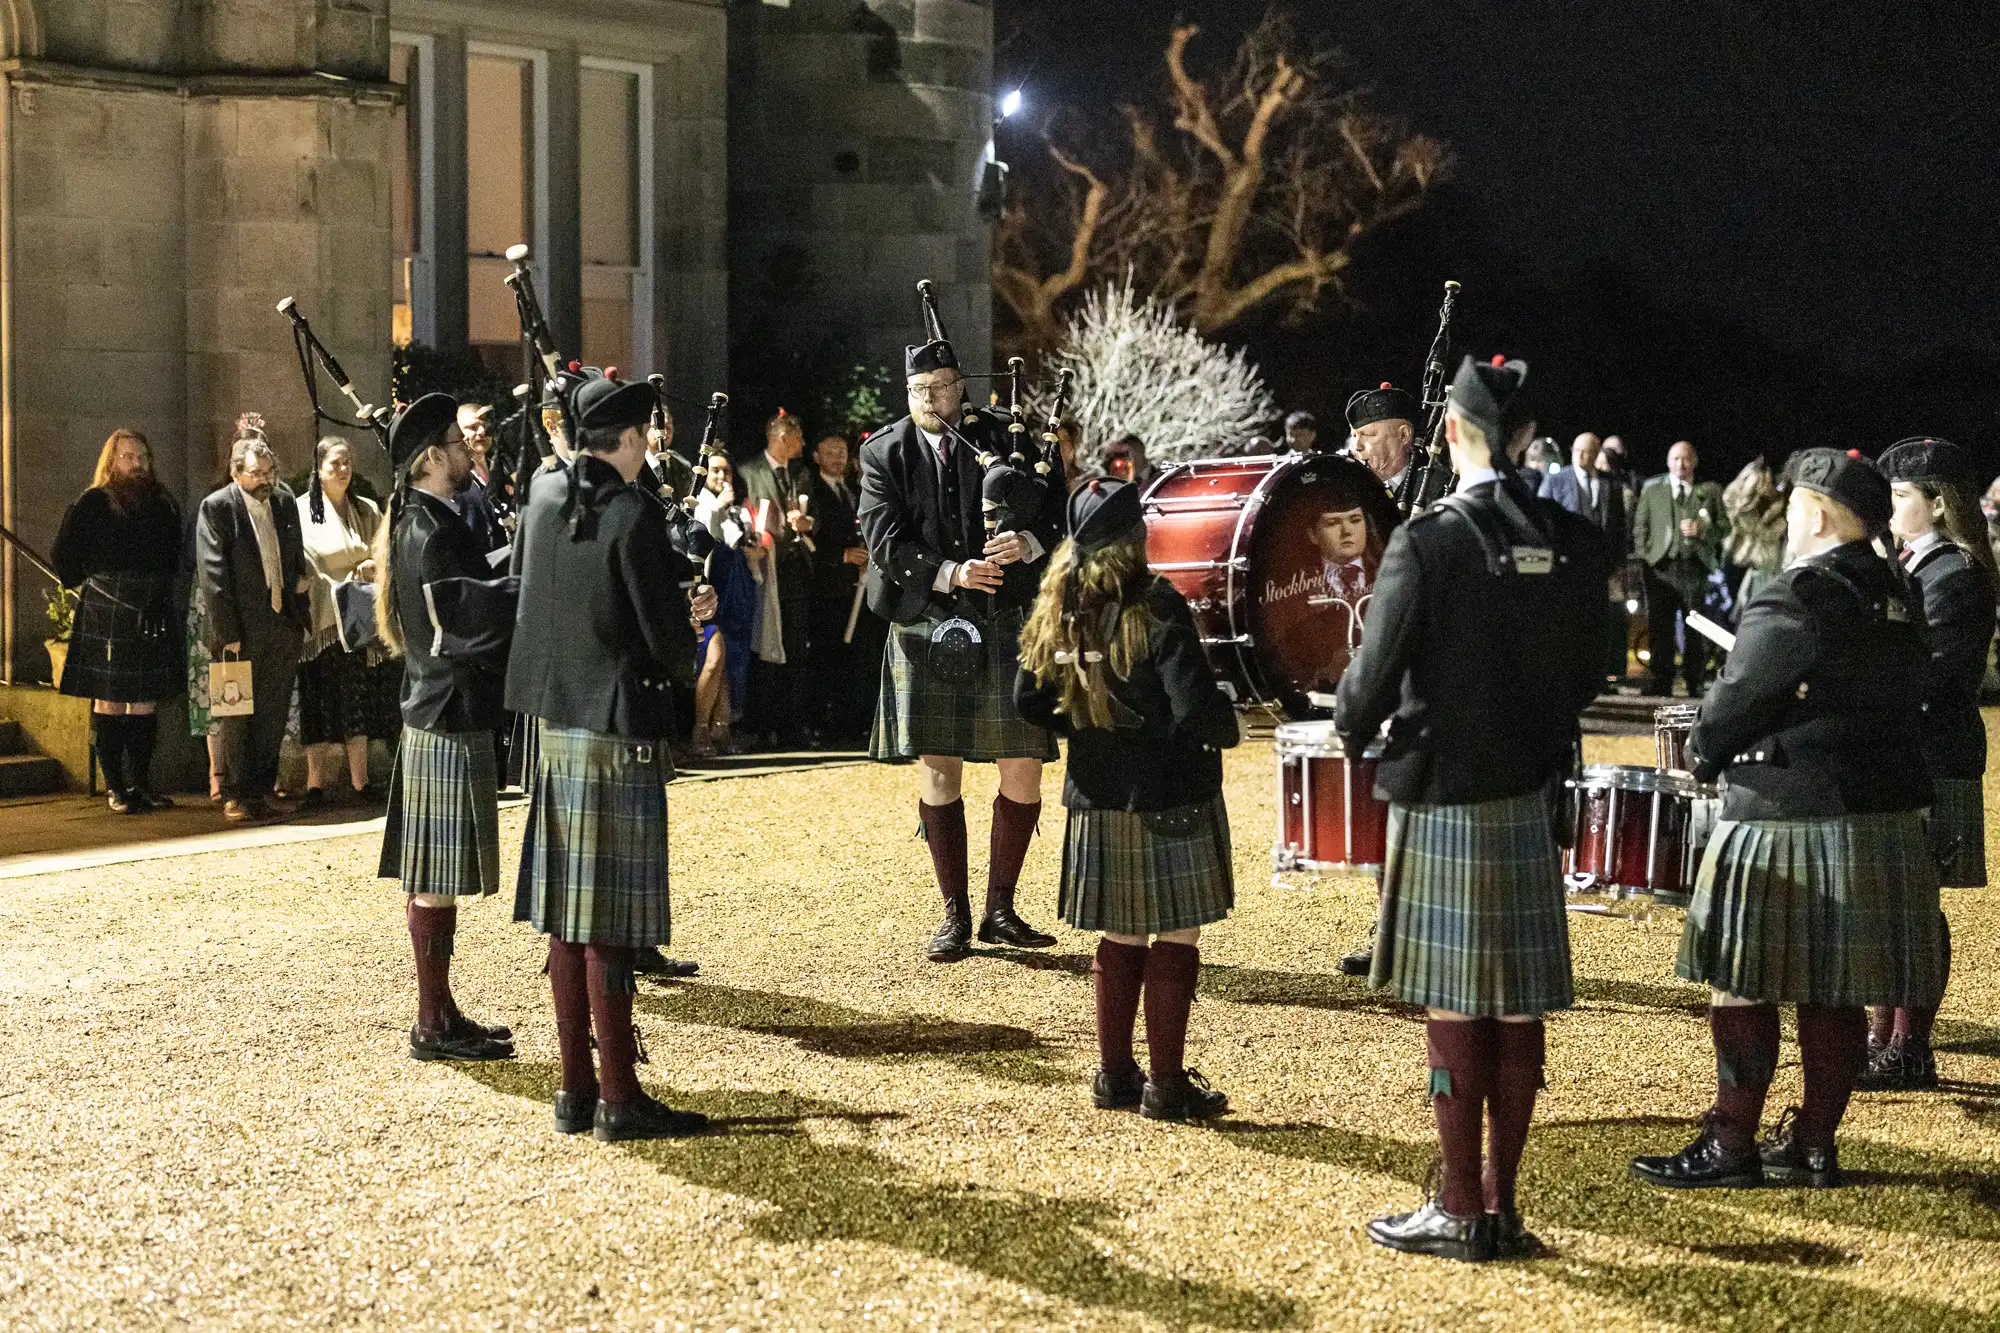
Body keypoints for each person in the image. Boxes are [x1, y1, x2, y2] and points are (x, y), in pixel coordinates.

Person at [1335, 354, 1608, 1262]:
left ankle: (1455, 1203)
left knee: (1457, 1000)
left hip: (1448, 789)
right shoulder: (1570, 537)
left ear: (1451, 432)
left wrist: (1350, 721)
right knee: (1518, 1004)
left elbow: (1365, 692)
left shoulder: (1429, 539)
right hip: (1531, 790)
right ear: (1528, 437)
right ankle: (1505, 1203)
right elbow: (1592, 672)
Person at [1632, 448, 1938, 1191]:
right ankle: (1812, 1144)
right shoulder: (1899, 593)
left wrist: (1702, 751)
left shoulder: (1796, 592)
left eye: (1796, 505)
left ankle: (1730, 1142)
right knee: (1833, 988)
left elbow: (1735, 700)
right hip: (1878, 810)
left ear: (1820, 514)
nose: (1788, 519)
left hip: (1786, 809)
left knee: (1739, 979)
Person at [508, 375, 718, 1142]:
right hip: (617, 723)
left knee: (565, 915)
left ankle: (573, 1090)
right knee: (608, 921)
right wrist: (691, 617)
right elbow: (662, 639)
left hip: (554, 722)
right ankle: (621, 1099)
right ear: (628, 439)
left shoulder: (541, 498)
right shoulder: (631, 512)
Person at [1016, 478, 1240, 1120]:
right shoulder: (1157, 603)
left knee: (1120, 935)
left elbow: (1026, 701)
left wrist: (1086, 727)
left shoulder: (1058, 604)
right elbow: (1195, 709)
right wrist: (1231, 726)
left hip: (1096, 790)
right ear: (1135, 538)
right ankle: (1166, 1086)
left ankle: (1114, 1076)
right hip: (1169, 792)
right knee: (1174, 934)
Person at [860, 316, 1065, 962]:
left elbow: (1058, 510)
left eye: (943, 387)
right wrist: (952, 571)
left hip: (1005, 617)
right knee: (938, 764)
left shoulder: (1006, 439)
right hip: (926, 619)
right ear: (907, 390)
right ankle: (955, 913)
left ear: (962, 389)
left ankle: (1002, 907)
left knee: (1023, 766)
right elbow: (885, 541)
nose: (932, 400)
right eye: (920, 389)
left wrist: (1027, 542)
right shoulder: (882, 454)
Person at [373, 394, 517, 1064]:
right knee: (433, 875)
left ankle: (442, 1010)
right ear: (432, 458)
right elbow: (463, 623)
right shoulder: (431, 531)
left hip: (436, 707)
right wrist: (531, 590)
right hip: (446, 709)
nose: (468, 452)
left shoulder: (430, 519)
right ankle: (432, 1019)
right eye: (457, 443)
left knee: (434, 873)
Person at [1857, 437, 1996, 1091]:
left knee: (1912, 904)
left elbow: (1932, 673)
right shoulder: (1916, 566)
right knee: (1893, 901)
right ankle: (1883, 1034)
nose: (1888, 509)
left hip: (1933, 753)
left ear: (1938, 505)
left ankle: (1910, 1045)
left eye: (1900, 497)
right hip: (1908, 748)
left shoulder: (1955, 574)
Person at [51, 428, 184, 813]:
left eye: (142, 457)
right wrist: (84, 582)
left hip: (153, 605)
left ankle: (141, 785)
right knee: (109, 702)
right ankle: (116, 788)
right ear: (112, 461)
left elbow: (173, 556)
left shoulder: (163, 504)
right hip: (106, 607)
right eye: (128, 457)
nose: (137, 464)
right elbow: (63, 555)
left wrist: (160, 596)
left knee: (144, 703)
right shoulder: (92, 503)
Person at [196, 432, 312, 822]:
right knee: (236, 712)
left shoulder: (282, 501)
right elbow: (213, 575)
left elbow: (294, 553)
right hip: (239, 628)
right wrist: (227, 634)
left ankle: (263, 789)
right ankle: (236, 793)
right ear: (235, 473)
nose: (264, 480)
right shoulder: (217, 508)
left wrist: (300, 593)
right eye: (256, 474)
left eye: (269, 472)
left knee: (273, 713)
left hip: (281, 622)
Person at [295, 436, 401, 806]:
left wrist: (369, 566)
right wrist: (343, 571)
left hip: (358, 621)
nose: (342, 470)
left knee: (357, 700)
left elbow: (381, 550)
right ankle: (315, 783)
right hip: (322, 619)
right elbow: (306, 561)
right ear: (319, 468)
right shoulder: (301, 510)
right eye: (334, 463)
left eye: (347, 462)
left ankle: (360, 780)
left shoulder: (368, 508)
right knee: (318, 701)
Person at [737, 409, 816, 748]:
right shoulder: (749, 472)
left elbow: (817, 519)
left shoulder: (800, 473)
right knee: (766, 646)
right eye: (797, 437)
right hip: (766, 568)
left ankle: (792, 723)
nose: (802, 444)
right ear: (783, 438)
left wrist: (808, 524)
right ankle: (764, 722)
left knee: (797, 646)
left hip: (797, 568)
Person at [1631, 440, 1728, 697]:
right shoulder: (1652, 490)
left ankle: (1694, 680)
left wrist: (1703, 530)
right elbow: (1640, 527)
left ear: (1694, 462)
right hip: (1660, 568)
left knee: (1695, 627)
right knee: (1659, 627)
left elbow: (1724, 527)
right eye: (1675, 459)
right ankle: (1660, 680)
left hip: (1694, 567)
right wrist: (1646, 557)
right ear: (1667, 462)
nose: (1680, 464)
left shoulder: (1709, 491)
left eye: (1685, 459)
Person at [689, 453, 761, 756]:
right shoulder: (700, 503)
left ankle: (722, 727)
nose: (721, 476)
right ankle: (700, 729)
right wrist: (718, 508)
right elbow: (702, 538)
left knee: (728, 662)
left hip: (736, 593)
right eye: (715, 470)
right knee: (713, 657)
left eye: (726, 471)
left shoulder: (735, 508)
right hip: (708, 588)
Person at [805, 433, 870, 745]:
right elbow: (809, 540)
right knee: (824, 656)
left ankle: (848, 720)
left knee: (850, 656)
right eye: (829, 452)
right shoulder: (812, 490)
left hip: (852, 587)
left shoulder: (851, 490)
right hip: (824, 588)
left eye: (841, 452)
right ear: (816, 456)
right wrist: (839, 556)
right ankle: (821, 721)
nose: (836, 458)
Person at [1347, 383, 1450, 514]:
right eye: (1355, 436)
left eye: (1368, 435)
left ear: (1403, 435)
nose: (1357, 447)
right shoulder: (1357, 490)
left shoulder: (1436, 489)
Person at [1720, 456, 1787, 613]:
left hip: (1767, 567)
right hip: (1745, 561)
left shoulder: (1778, 506)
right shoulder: (1742, 500)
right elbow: (1732, 501)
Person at [456, 402, 506, 555]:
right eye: (472, 427)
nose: (482, 431)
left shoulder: (502, 469)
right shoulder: (456, 481)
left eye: (485, 425)